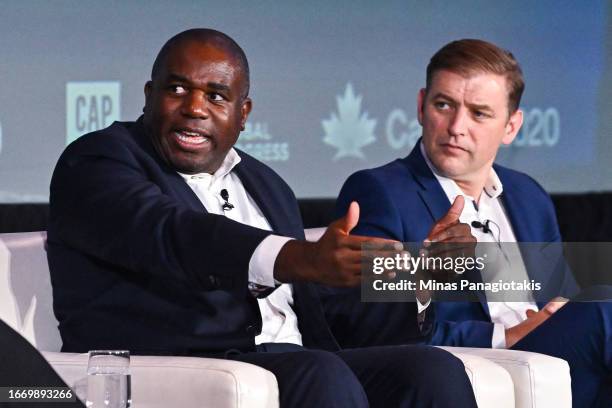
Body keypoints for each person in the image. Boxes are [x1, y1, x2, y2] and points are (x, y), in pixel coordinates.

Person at [47, 29, 477, 407]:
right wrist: (299, 257)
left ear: (243, 113)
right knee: (320, 372)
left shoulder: (265, 184)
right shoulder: (98, 160)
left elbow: (326, 311)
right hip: (176, 363)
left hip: (296, 361)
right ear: (148, 95)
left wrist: (421, 280)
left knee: (431, 370)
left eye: (216, 96)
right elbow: (173, 233)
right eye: (177, 90)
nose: (194, 108)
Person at [325, 39, 612, 407]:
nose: (456, 127)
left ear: (511, 127)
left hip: (550, 363)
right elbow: (374, 329)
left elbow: (561, 297)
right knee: (604, 312)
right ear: (421, 106)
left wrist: (558, 313)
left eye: (479, 113)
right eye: (444, 105)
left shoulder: (528, 196)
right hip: (469, 367)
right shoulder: (380, 191)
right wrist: (506, 335)